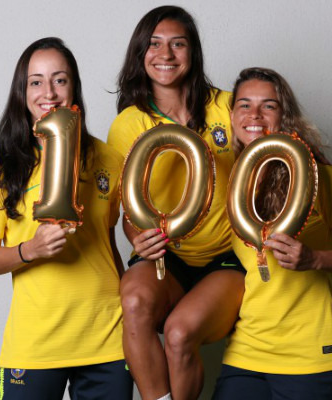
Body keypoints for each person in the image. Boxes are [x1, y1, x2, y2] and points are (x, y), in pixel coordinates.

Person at [0, 37, 132, 400]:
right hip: (36, 345)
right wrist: (31, 250)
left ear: (73, 87)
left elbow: (107, 245)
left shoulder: (108, 159)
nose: (49, 93)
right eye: (36, 82)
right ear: (21, 92)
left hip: (107, 340)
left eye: (59, 79)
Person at [212, 67, 332, 400]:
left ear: (284, 116)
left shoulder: (321, 178)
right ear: (232, 115)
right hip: (247, 351)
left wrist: (315, 258)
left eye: (269, 106)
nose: (255, 115)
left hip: (311, 356)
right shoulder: (231, 181)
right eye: (244, 105)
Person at [107, 6, 245, 400]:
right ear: (140, 53)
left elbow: (269, 160)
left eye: (177, 44)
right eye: (154, 44)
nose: (165, 55)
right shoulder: (129, 123)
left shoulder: (228, 106)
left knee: (180, 333)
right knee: (133, 301)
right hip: (167, 257)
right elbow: (127, 209)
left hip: (226, 258)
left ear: (193, 52)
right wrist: (138, 238)